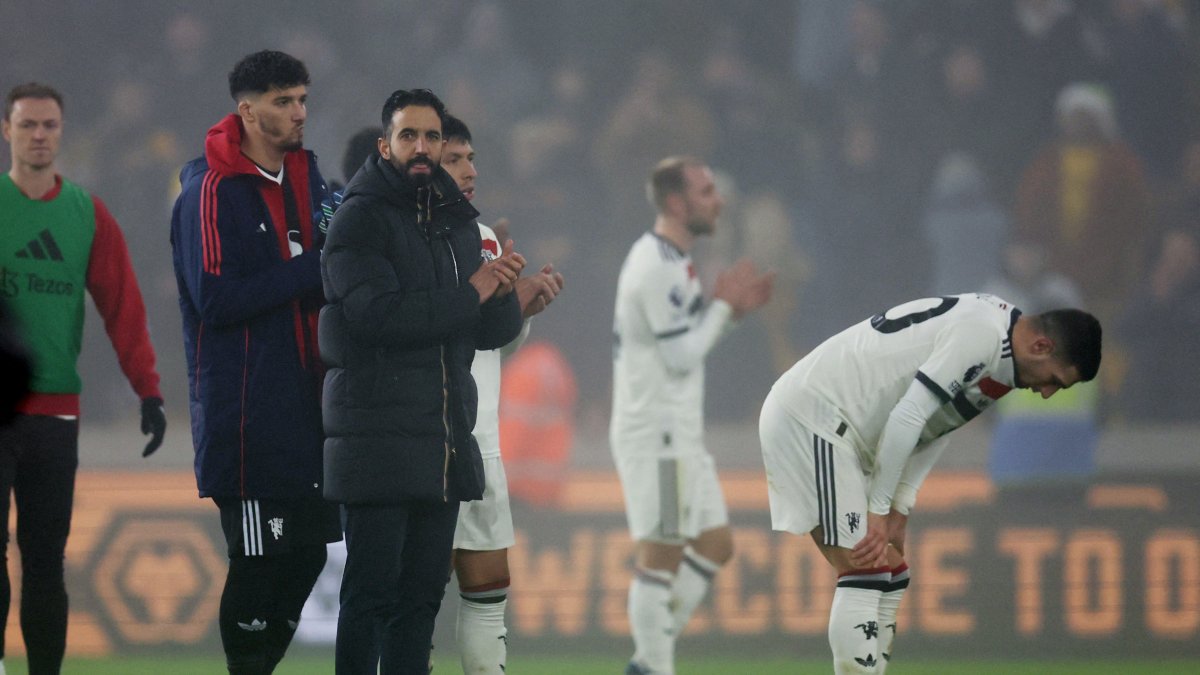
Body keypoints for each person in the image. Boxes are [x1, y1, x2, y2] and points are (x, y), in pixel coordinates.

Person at [758, 294, 1102, 674]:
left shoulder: (1001, 354)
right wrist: (878, 507)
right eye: (1055, 379)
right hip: (814, 416)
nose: (1047, 392)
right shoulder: (982, 336)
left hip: (838, 430)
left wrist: (900, 506)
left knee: (891, 570)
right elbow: (909, 414)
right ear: (1041, 346)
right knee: (866, 567)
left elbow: (936, 426)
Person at [320, 89, 525, 674]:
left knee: (420, 604)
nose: (421, 147)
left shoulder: (455, 223)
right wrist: (473, 292)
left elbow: (482, 333)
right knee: (370, 597)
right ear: (385, 145)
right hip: (378, 438)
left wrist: (503, 295)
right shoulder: (359, 217)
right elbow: (375, 317)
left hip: (441, 442)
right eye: (408, 135)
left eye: (431, 137)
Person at [170, 51, 341, 675]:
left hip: (310, 410)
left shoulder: (309, 178)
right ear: (247, 110)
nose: (299, 112)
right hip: (246, 419)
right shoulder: (211, 192)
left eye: (302, 98)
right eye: (283, 101)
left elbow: (332, 257)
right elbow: (214, 300)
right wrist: (311, 268)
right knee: (259, 561)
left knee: (308, 556)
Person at [0, 82, 165, 675]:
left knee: (46, 563)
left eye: (49, 126)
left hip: (54, 413)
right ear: (8, 131)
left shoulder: (85, 214)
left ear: (61, 133)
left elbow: (123, 305)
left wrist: (147, 388)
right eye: (28, 125)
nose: (39, 135)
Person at [611, 156, 774, 675]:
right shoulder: (657, 266)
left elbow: (684, 348)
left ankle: (647, 660)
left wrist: (727, 314)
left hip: (676, 432)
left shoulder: (672, 260)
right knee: (660, 556)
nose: (718, 201)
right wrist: (722, 309)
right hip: (655, 433)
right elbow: (680, 357)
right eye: (706, 192)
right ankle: (655, 667)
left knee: (714, 544)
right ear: (677, 204)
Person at [439, 113, 564, 674]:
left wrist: (522, 315)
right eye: (454, 159)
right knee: (416, 595)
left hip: (483, 446)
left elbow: (490, 350)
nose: (471, 170)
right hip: (430, 439)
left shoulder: (486, 238)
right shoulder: (405, 238)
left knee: (488, 591)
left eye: (471, 159)